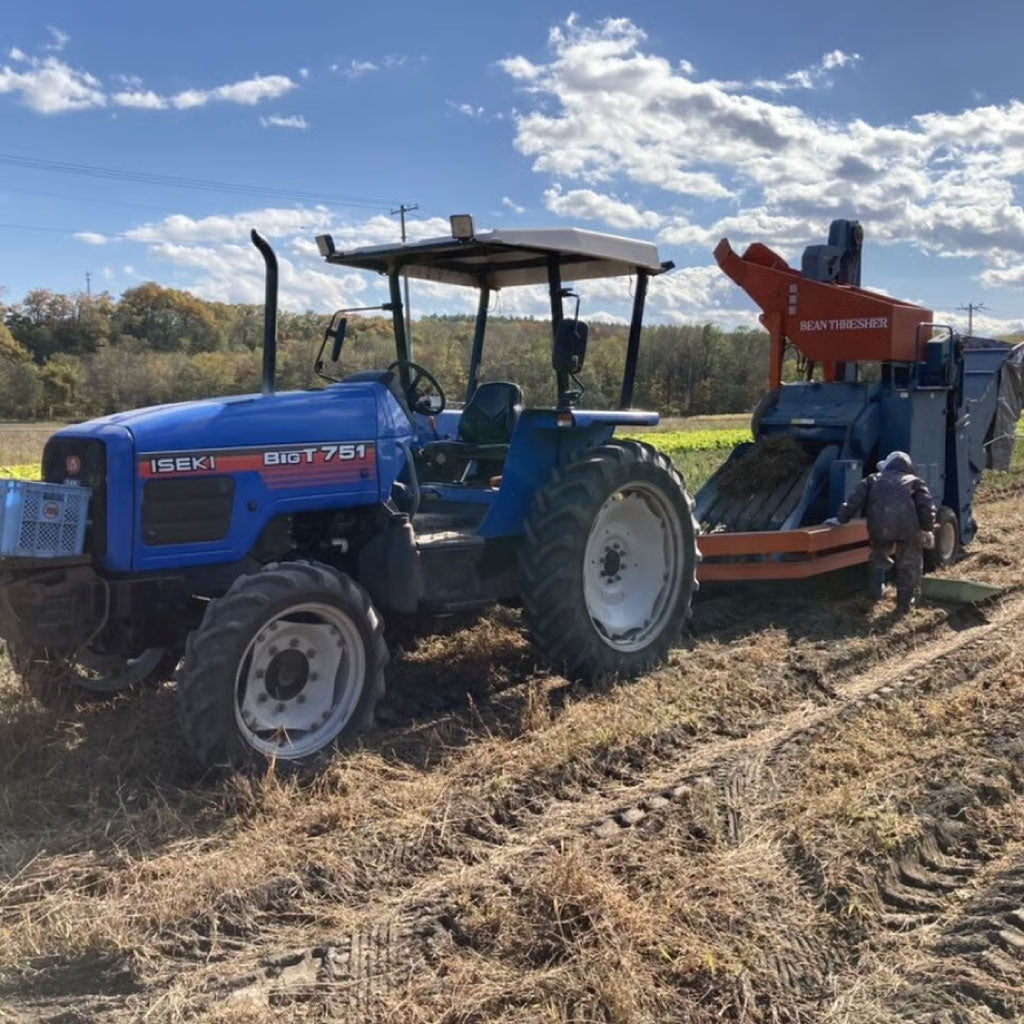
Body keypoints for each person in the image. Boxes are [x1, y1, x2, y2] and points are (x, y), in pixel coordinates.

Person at [829, 451, 937, 614]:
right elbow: (927, 508)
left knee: (878, 557)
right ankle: (903, 606)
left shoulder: (872, 479)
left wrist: (840, 519)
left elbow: (853, 501)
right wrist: (927, 529)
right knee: (909, 565)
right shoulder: (915, 482)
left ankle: (874, 594)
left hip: (879, 528)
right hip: (908, 529)